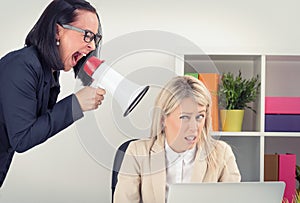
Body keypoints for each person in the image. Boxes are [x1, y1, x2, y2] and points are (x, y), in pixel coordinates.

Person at [0, 0, 106, 187]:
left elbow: (38, 125)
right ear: (58, 31)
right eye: (87, 35)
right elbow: (22, 138)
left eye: (94, 38)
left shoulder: (49, 72)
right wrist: (75, 105)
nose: (91, 46)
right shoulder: (22, 66)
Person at [113, 75, 241, 203]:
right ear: (163, 119)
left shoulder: (221, 153)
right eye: (184, 117)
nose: (194, 128)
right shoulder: (137, 152)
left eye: (199, 116)